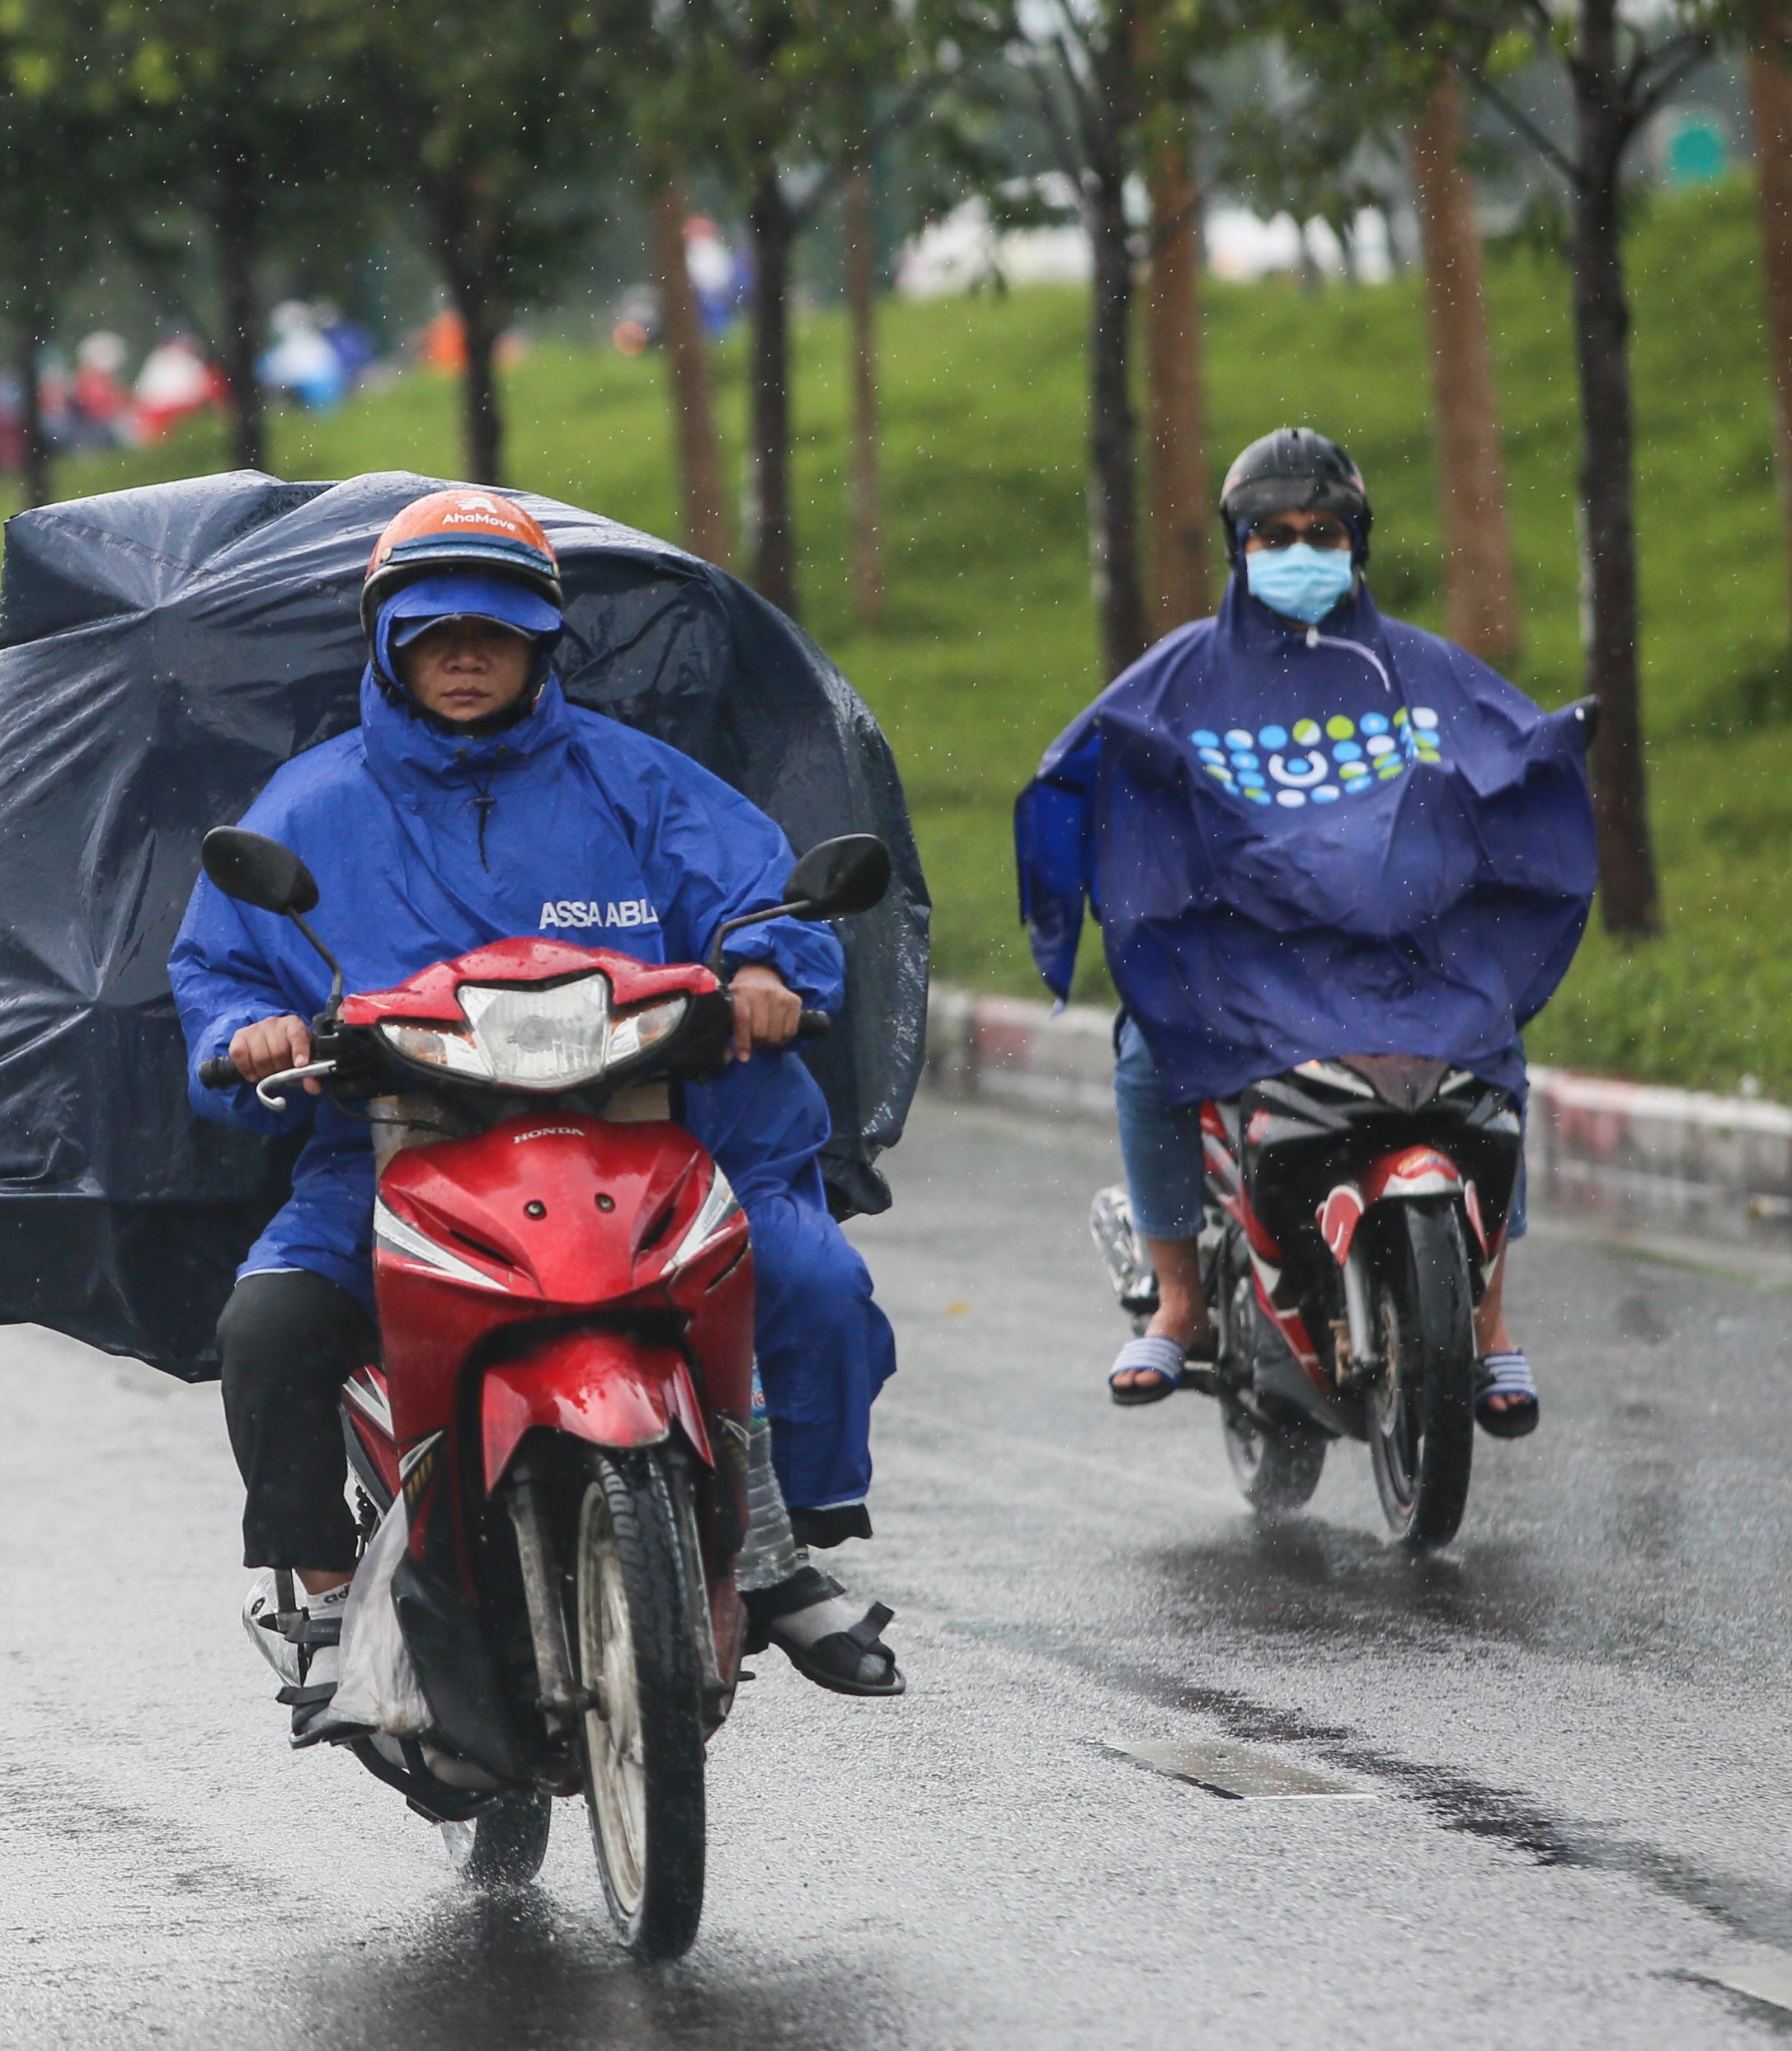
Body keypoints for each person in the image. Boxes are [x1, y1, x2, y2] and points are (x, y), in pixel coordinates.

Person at [169, 487, 906, 1735]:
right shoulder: (304, 806)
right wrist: (247, 1034)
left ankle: (777, 1549)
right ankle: (326, 1596)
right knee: (269, 1327)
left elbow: (756, 905)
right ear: (388, 644)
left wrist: (772, 976)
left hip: (641, 1143)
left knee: (813, 1283)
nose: (465, 655)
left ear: (541, 646)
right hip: (390, 1157)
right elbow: (220, 967)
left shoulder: (640, 784)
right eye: (435, 631)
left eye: (495, 633)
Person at [1015, 428, 1596, 1433]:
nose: (1299, 552)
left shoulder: (1418, 669)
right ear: (1237, 549)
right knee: (1150, 1048)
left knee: (1494, 1049)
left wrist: (1553, 751)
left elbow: (1506, 759)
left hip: (1403, 957)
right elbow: (1090, 768)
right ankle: (1183, 1300)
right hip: (1249, 958)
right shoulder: (1184, 674)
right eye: (1272, 535)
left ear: (1356, 543)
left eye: (1321, 531)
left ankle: (1491, 1326)